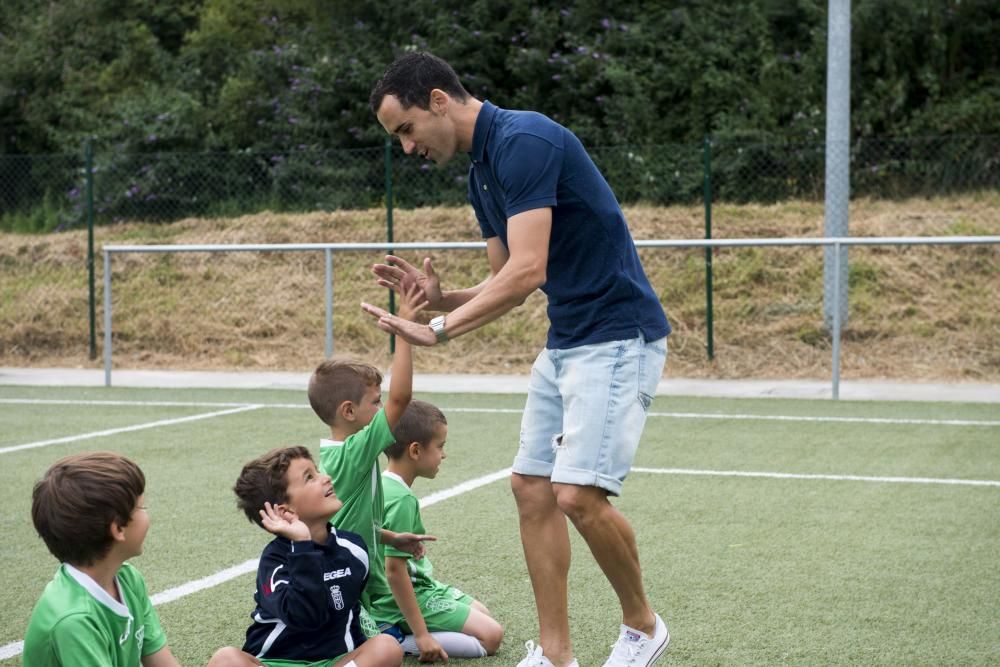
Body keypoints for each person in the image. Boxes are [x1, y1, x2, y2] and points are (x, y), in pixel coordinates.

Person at [366, 52, 672, 667]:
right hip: (567, 340)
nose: (406, 148)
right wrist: (441, 301)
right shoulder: (482, 172)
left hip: (617, 336)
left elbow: (529, 269)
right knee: (530, 487)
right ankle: (556, 655)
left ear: (438, 101)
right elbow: (508, 277)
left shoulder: (525, 140)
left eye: (405, 130)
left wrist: (441, 331)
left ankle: (643, 626)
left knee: (577, 495)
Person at [311, 282, 478, 662]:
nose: (383, 406)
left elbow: (342, 522)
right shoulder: (353, 450)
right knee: (377, 650)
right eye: (375, 402)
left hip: (350, 571)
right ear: (349, 412)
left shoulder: (342, 456)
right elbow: (402, 400)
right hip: (345, 579)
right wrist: (405, 330)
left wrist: (385, 535)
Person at [209, 446, 404, 667]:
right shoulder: (273, 562)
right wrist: (302, 545)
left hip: (335, 662)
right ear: (286, 511)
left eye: (318, 471)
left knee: (386, 648)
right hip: (278, 662)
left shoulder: (354, 548)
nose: (326, 478)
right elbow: (305, 617)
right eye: (310, 478)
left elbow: (352, 610)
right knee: (226, 659)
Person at [23, 451, 183, 667]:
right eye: (142, 507)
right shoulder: (74, 620)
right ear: (118, 528)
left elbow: (161, 662)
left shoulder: (128, 579)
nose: (147, 514)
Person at [373, 400, 504, 659]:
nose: (443, 454)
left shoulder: (382, 485)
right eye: (440, 446)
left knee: (483, 613)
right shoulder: (402, 499)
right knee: (491, 636)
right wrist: (422, 635)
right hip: (398, 599)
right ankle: (394, 639)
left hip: (421, 585)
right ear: (415, 450)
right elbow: (394, 570)